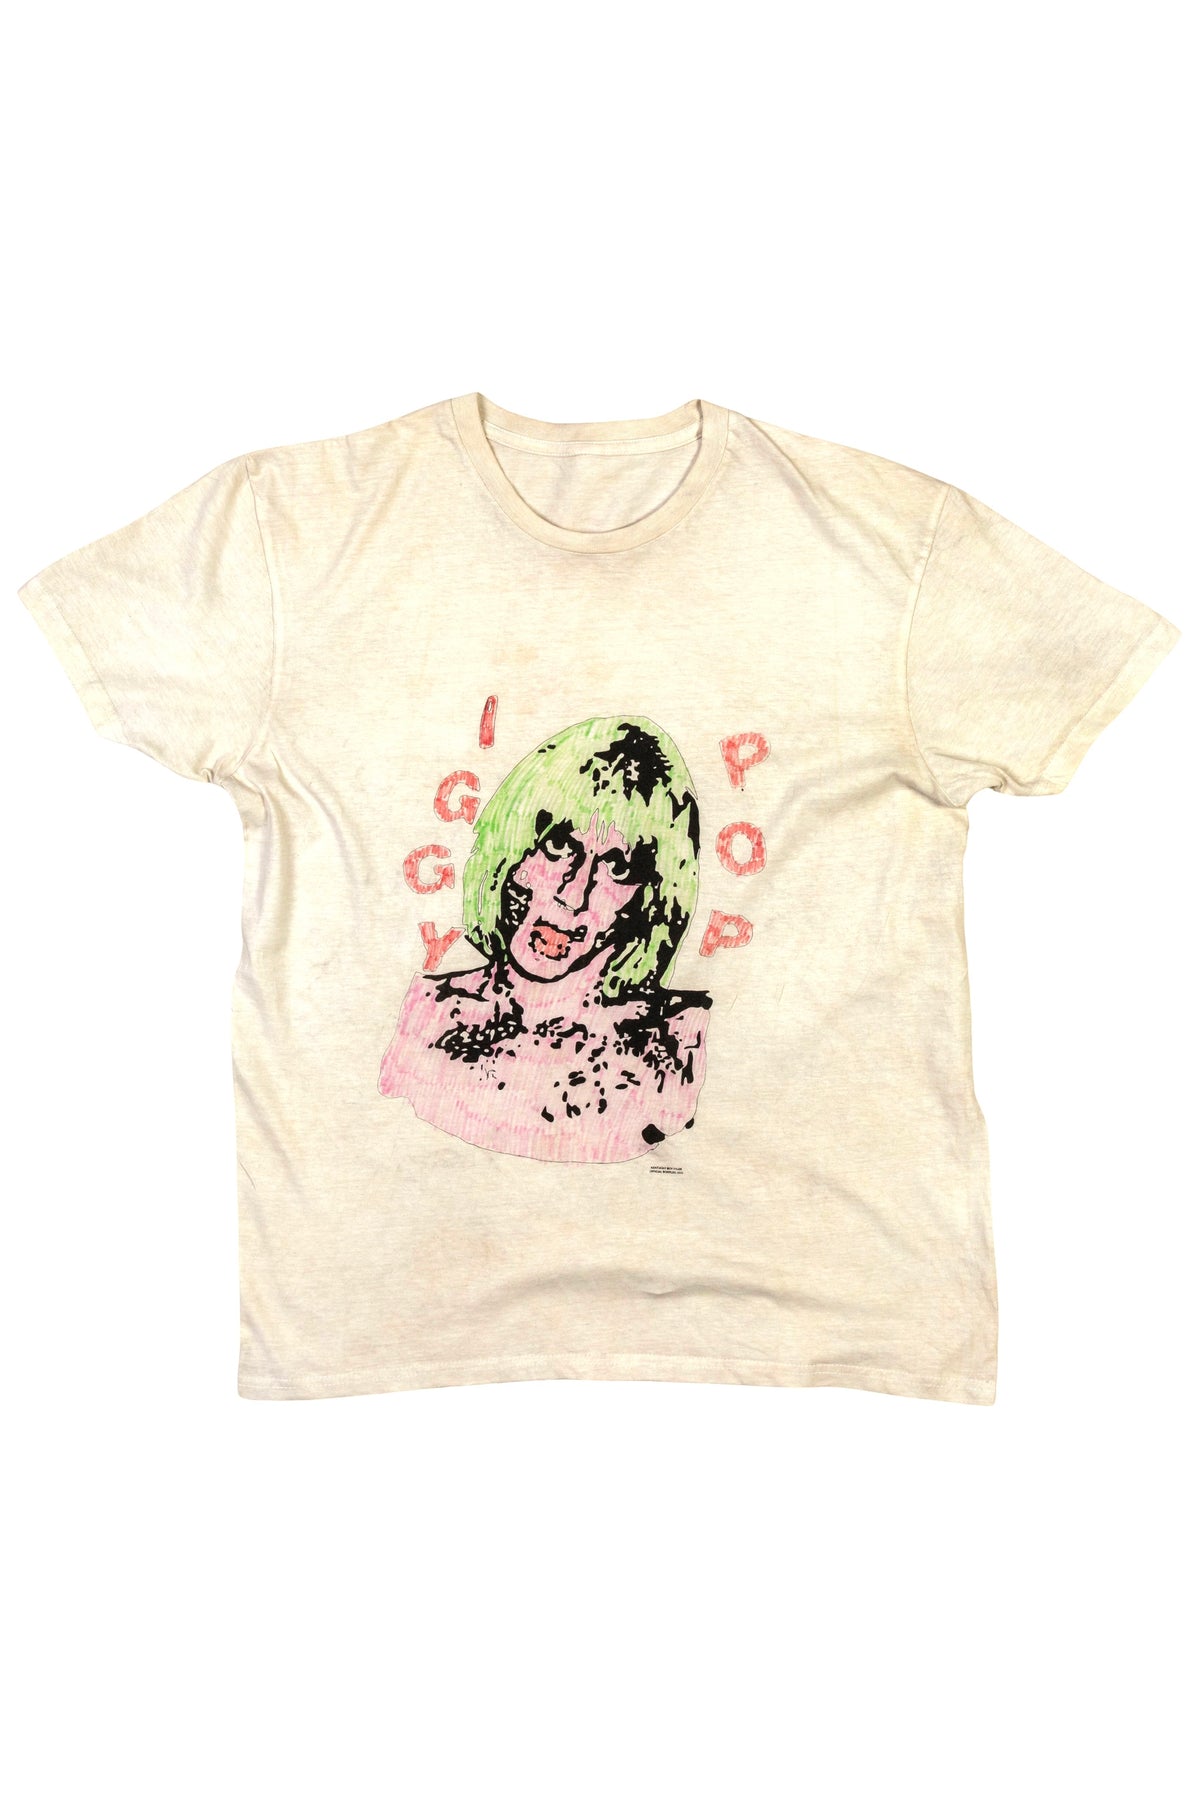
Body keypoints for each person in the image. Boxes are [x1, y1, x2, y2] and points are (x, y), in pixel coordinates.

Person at [379, 716, 712, 1163]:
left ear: (649, 899)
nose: (574, 895)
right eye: (558, 846)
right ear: (510, 851)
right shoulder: (426, 1012)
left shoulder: (677, 1042)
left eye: (616, 867)